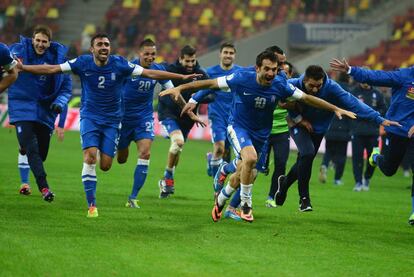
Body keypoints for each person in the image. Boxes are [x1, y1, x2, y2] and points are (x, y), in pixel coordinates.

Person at [18, 33, 202, 217]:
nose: (104, 47)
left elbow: (151, 73)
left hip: (114, 121)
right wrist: (24, 67)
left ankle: (122, 184)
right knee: (90, 157)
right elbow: (51, 69)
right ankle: (92, 205)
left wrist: (181, 78)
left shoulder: (120, 64)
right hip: (90, 117)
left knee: (106, 164)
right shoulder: (82, 63)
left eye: (106, 44)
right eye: (100, 44)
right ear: (92, 49)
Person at [160, 51, 356, 222]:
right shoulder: (240, 78)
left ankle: (221, 200)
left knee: (248, 173)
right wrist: (182, 90)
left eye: (274, 69)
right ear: (257, 68)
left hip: (261, 134)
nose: (271, 73)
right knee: (250, 159)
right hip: (238, 127)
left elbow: (306, 98)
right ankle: (246, 205)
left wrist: (335, 107)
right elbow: (210, 83)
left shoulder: (281, 85)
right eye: (267, 69)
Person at [275, 65, 400, 212]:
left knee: (305, 159)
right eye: (311, 86)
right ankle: (304, 199)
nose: (315, 90)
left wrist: (379, 119)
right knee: (307, 153)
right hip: (299, 125)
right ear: (305, 80)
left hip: (319, 129)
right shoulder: (294, 84)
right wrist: (299, 119)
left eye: (318, 86)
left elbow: (354, 103)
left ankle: (284, 184)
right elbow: (280, 101)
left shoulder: (332, 88)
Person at [117, 39, 201, 208]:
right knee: (121, 159)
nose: (150, 57)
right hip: (123, 118)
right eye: (146, 54)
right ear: (139, 53)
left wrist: (189, 111)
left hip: (144, 118)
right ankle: (115, 148)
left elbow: (173, 92)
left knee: (145, 153)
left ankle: (133, 198)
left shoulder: (158, 70)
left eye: (153, 54)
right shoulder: (128, 68)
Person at [330, 58, 414, 225]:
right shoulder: (404, 75)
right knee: (389, 169)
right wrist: (351, 70)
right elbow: (376, 76)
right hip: (397, 131)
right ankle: (375, 157)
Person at [8, 25, 72, 201]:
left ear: (50, 43)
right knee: (32, 150)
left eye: (44, 41)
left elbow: (66, 89)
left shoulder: (59, 60)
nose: (41, 44)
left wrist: (59, 104)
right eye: (38, 40)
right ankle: (44, 188)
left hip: (45, 111)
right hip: (22, 108)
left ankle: (24, 148)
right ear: (32, 39)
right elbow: (6, 63)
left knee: (40, 154)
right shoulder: (17, 52)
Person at [157, 45, 209, 198]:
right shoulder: (171, 70)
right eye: (187, 61)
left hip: (188, 118)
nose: (191, 64)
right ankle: (167, 177)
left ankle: (168, 178)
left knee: (177, 148)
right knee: (178, 142)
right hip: (169, 113)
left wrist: (199, 96)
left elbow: (211, 94)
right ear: (181, 59)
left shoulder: (201, 73)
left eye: (193, 60)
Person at [199, 42, 242, 178]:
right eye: (226, 52)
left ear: (234, 56)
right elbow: (201, 91)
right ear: (220, 54)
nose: (228, 55)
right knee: (220, 148)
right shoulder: (210, 73)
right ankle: (216, 184)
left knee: (226, 155)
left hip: (235, 119)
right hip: (217, 116)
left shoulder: (240, 73)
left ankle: (212, 163)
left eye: (231, 53)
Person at [17, 106, 68, 194]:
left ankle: (38, 185)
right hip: (28, 117)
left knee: (40, 156)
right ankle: (25, 183)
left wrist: (61, 125)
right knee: (25, 148)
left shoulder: (54, 93)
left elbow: (64, 103)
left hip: (47, 122)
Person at [264, 61, 294, 208]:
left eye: (285, 72)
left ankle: (272, 196)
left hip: (282, 132)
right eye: (279, 71)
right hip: (263, 130)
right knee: (257, 166)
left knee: (281, 164)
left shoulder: (292, 91)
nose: (282, 74)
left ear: (290, 75)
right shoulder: (267, 86)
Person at [350, 80, 387, 191]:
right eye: (362, 80)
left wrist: (373, 114)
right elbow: (348, 107)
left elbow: (384, 109)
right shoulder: (354, 92)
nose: (365, 82)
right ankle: (358, 182)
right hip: (357, 131)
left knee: (373, 158)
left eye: (367, 80)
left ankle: (367, 178)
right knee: (357, 158)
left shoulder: (377, 93)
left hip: (373, 132)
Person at [319, 116, 351, 185]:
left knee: (328, 152)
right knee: (341, 157)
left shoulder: (331, 105)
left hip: (330, 132)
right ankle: (337, 179)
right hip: (343, 134)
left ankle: (324, 165)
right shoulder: (347, 106)